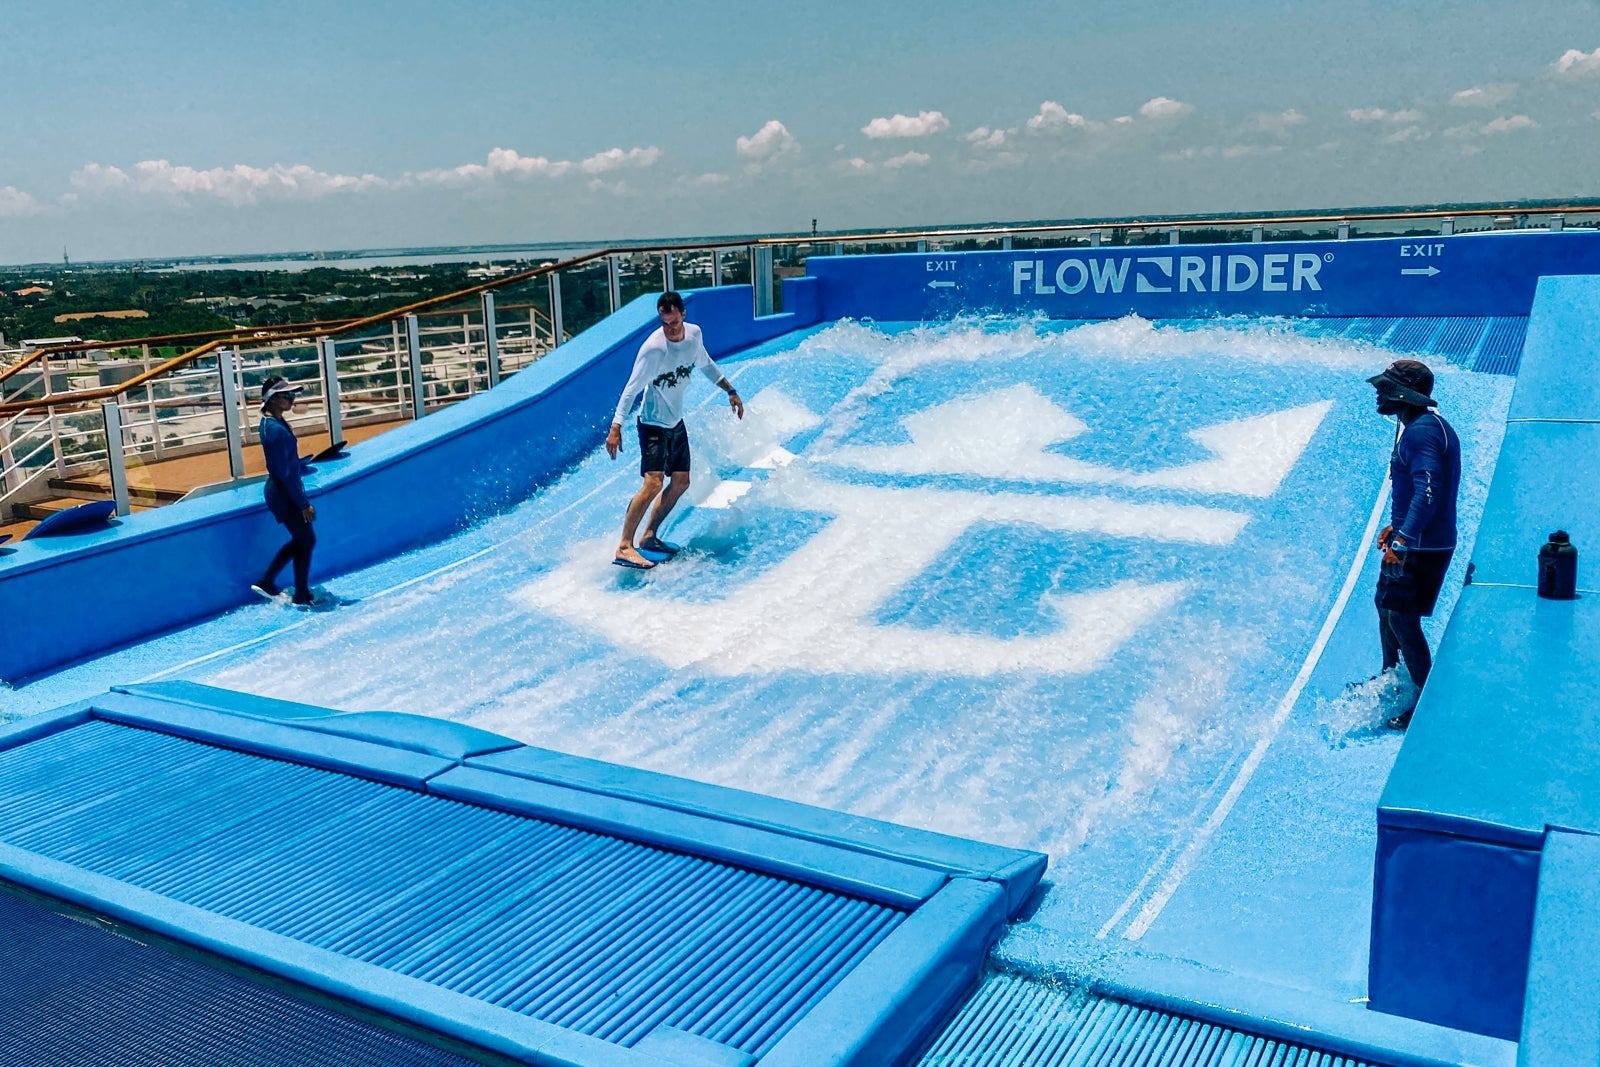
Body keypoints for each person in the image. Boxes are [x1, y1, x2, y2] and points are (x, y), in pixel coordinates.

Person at [606, 291, 743, 568]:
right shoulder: (654, 349)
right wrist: (616, 426)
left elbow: (706, 364)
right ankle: (623, 546)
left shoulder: (693, 335)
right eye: (665, 323)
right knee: (654, 482)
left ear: (683, 314)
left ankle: (649, 536)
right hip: (653, 424)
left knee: (681, 481)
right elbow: (631, 389)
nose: (669, 328)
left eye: (674, 322)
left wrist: (730, 390)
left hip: (675, 422)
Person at [1368, 359, 1460, 730]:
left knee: (1404, 621)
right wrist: (1398, 524)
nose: (1378, 391)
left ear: (1402, 394)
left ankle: (1424, 702)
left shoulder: (1422, 433)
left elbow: (1428, 488)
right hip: (1415, 537)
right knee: (1384, 603)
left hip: (1422, 546)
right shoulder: (1419, 427)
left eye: (1385, 386)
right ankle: (1392, 678)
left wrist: (1403, 540)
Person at [251, 376, 318, 607]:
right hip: (283, 493)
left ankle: (300, 592)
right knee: (306, 539)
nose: (292, 399)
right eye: (287, 395)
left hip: (282, 490)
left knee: (304, 540)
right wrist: (303, 503)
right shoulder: (276, 430)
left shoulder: (273, 423)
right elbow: (284, 473)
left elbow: (285, 465)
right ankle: (268, 580)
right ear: (273, 399)